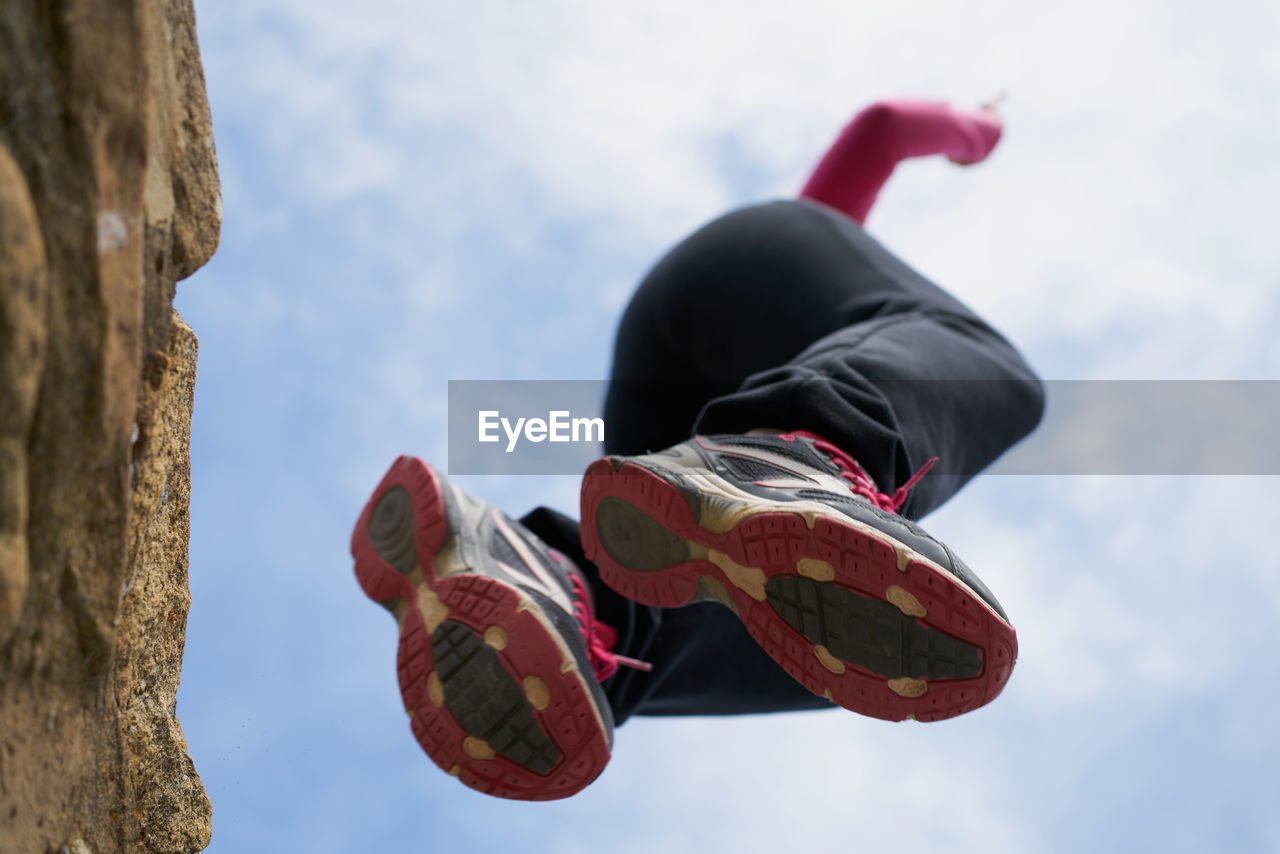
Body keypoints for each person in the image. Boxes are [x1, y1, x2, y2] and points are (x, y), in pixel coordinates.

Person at [349, 98, 1045, 801]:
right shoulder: (818, 250)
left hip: (660, 398)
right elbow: (883, 125)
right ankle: (801, 458)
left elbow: (883, 126)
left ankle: (567, 600)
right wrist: (979, 132)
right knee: (992, 373)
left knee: (763, 640)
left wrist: (968, 141)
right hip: (745, 267)